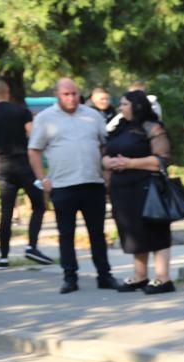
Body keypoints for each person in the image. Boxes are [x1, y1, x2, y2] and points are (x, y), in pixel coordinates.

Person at [28, 78, 118, 294]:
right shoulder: (45, 118)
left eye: (74, 93)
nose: (71, 98)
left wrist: (107, 174)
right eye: (66, 94)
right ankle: (70, 278)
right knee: (66, 234)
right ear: (57, 95)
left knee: (97, 233)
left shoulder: (92, 115)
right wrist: (42, 179)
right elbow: (34, 150)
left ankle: (104, 276)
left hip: (92, 182)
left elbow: (104, 145)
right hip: (63, 185)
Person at [103, 91, 175, 294]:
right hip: (122, 190)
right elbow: (105, 153)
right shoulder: (120, 127)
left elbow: (162, 159)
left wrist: (130, 163)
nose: (121, 108)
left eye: (125, 104)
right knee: (134, 233)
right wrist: (107, 162)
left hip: (147, 188)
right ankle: (140, 276)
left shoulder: (152, 127)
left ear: (137, 106)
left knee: (155, 231)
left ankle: (163, 278)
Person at [0, 77, 51, 268]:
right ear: (7, 93)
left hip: (2, 168)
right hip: (24, 165)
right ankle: (32, 246)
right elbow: (33, 137)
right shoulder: (21, 111)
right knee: (39, 205)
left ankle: (3, 257)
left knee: (7, 211)